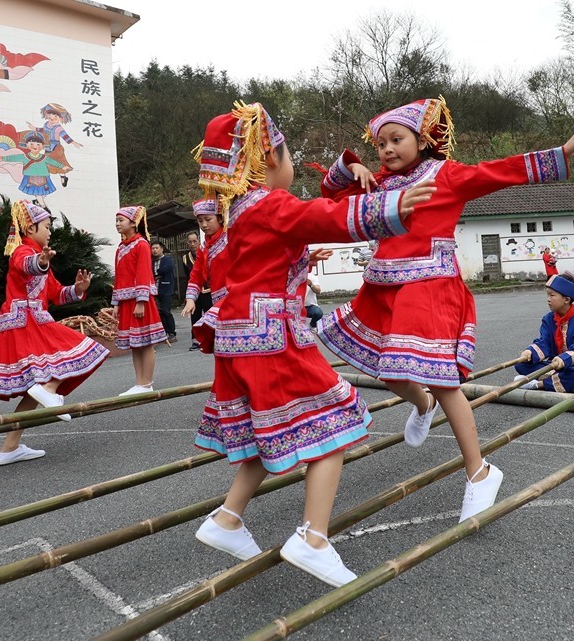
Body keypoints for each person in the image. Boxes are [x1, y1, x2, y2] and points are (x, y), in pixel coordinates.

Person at [316, 96, 574, 521]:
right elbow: (331, 196)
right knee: (388, 372)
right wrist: (352, 168)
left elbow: (497, 171)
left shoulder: (445, 174)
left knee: (443, 381)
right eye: (381, 144)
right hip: (383, 286)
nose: (387, 149)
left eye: (396, 140)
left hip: (430, 286)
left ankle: (479, 471)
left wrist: (560, 154)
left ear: (422, 140)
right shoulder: (378, 181)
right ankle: (423, 405)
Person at [191, 102, 435, 587]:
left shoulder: (237, 212)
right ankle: (313, 537)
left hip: (238, 338)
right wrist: (391, 207)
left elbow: (282, 247)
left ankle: (228, 518)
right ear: (268, 160)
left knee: (270, 429)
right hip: (273, 340)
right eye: (286, 156)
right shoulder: (269, 205)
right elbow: (322, 213)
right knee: (335, 418)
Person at [0, 200, 109, 465]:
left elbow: (56, 293)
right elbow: (26, 265)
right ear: (30, 228)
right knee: (76, 352)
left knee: (33, 389)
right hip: (26, 321)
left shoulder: (35, 253)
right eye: (46, 226)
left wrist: (78, 289)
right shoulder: (22, 251)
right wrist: (41, 261)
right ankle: (49, 389)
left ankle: (9, 448)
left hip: (30, 320)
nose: (50, 231)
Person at [112, 205, 167, 394]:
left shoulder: (142, 244)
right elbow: (119, 277)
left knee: (146, 343)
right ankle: (139, 383)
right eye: (116, 221)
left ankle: (146, 383)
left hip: (139, 300)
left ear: (133, 223)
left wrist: (141, 302)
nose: (117, 224)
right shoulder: (121, 248)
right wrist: (116, 303)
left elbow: (143, 273)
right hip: (127, 302)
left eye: (121, 220)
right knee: (135, 344)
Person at [513, 273, 574, 392]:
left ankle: (539, 384)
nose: (548, 299)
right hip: (553, 365)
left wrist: (564, 359)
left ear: (566, 299)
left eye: (552, 295)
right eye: (547, 295)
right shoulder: (548, 319)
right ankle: (566, 383)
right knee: (521, 364)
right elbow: (544, 342)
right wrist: (530, 352)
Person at [181, 199, 230, 353]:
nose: (203, 225)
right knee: (221, 347)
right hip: (218, 300)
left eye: (208, 219)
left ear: (220, 218)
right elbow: (196, 275)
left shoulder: (231, 239)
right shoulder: (204, 247)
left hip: (234, 298)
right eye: (200, 221)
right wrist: (190, 299)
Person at [183, 231, 212, 351]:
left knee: (209, 314)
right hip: (195, 292)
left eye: (195, 241)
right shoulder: (185, 258)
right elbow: (187, 277)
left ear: (198, 240)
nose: (193, 244)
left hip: (208, 290)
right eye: (190, 242)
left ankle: (211, 338)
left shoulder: (207, 252)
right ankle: (196, 340)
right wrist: (188, 295)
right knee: (195, 315)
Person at [151, 240, 177, 342]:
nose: (154, 250)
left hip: (166, 289)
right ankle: (163, 333)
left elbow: (168, 268)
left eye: (157, 248)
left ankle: (172, 333)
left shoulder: (167, 259)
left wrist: (157, 273)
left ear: (162, 249)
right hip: (155, 290)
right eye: (153, 248)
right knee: (159, 313)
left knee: (166, 311)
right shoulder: (151, 261)